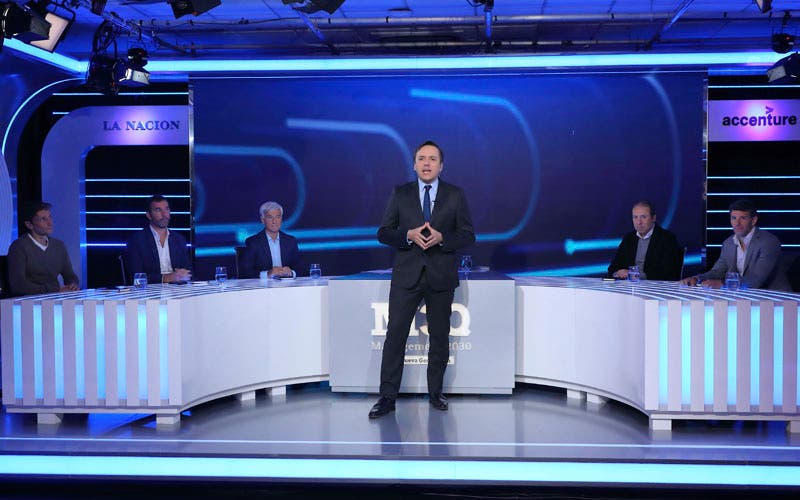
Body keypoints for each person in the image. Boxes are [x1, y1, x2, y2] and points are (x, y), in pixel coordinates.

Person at [369, 140, 475, 419]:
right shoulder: (400, 193)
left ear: (441, 166)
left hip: (441, 276)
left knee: (439, 337)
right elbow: (383, 232)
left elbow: (468, 234)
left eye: (432, 159)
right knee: (395, 335)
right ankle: (387, 397)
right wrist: (407, 235)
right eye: (421, 158)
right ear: (414, 164)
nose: (426, 163)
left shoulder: (455, 195)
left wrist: (443, 238)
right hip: (407, 276)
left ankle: (436, 393)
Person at [681, 199, 791, 291]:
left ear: (753, 220)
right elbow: (717, 271)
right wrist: (697, 279)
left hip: (776, 300)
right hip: (744, 297)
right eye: (734, 218)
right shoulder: (728, 243)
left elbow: (756, 280)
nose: (737, 223)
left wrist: (723, 284)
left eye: (743, 218)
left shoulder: (768, 242)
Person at [7, 202, 79, 296]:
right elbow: (18, 285)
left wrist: (73, 285)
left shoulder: (58, 245)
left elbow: (70, 275)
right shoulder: (19, 247)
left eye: (50, 217)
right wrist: (54, 290)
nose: (50, 223)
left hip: (55, 297)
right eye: (43, 219)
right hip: (29, 300)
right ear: (29, 225)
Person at [608, 200, 683, 281]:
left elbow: (669, 272)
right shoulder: (628, 238)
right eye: (635, 217)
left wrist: (636, 275)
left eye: (643, 217)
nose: (639, 222)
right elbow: (613, 267)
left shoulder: (667, 238)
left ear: (653, 218)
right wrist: (617, 273)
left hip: (654, 286)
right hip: (629, 285)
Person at [125, 195, 191, 284]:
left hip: (178, 288)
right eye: (158, 210)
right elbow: (136, 276)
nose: (164, 214)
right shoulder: (136, 241)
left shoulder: (179, 239)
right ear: (149, 215)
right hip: (149, 290)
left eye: (167, 209)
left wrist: (183, 275)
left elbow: (188, 271)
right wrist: (166, 278)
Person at [239, 201, 301, 278]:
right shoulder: (253, 242)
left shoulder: (291, 241)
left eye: (278, 217)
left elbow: (301, 268)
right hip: (263, 284)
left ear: (281, 219)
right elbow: (245, 271)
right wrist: (268, 274)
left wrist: (291, 272)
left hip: (287, 284)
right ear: (262, 220)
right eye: (270, 217)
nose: (274, 221)